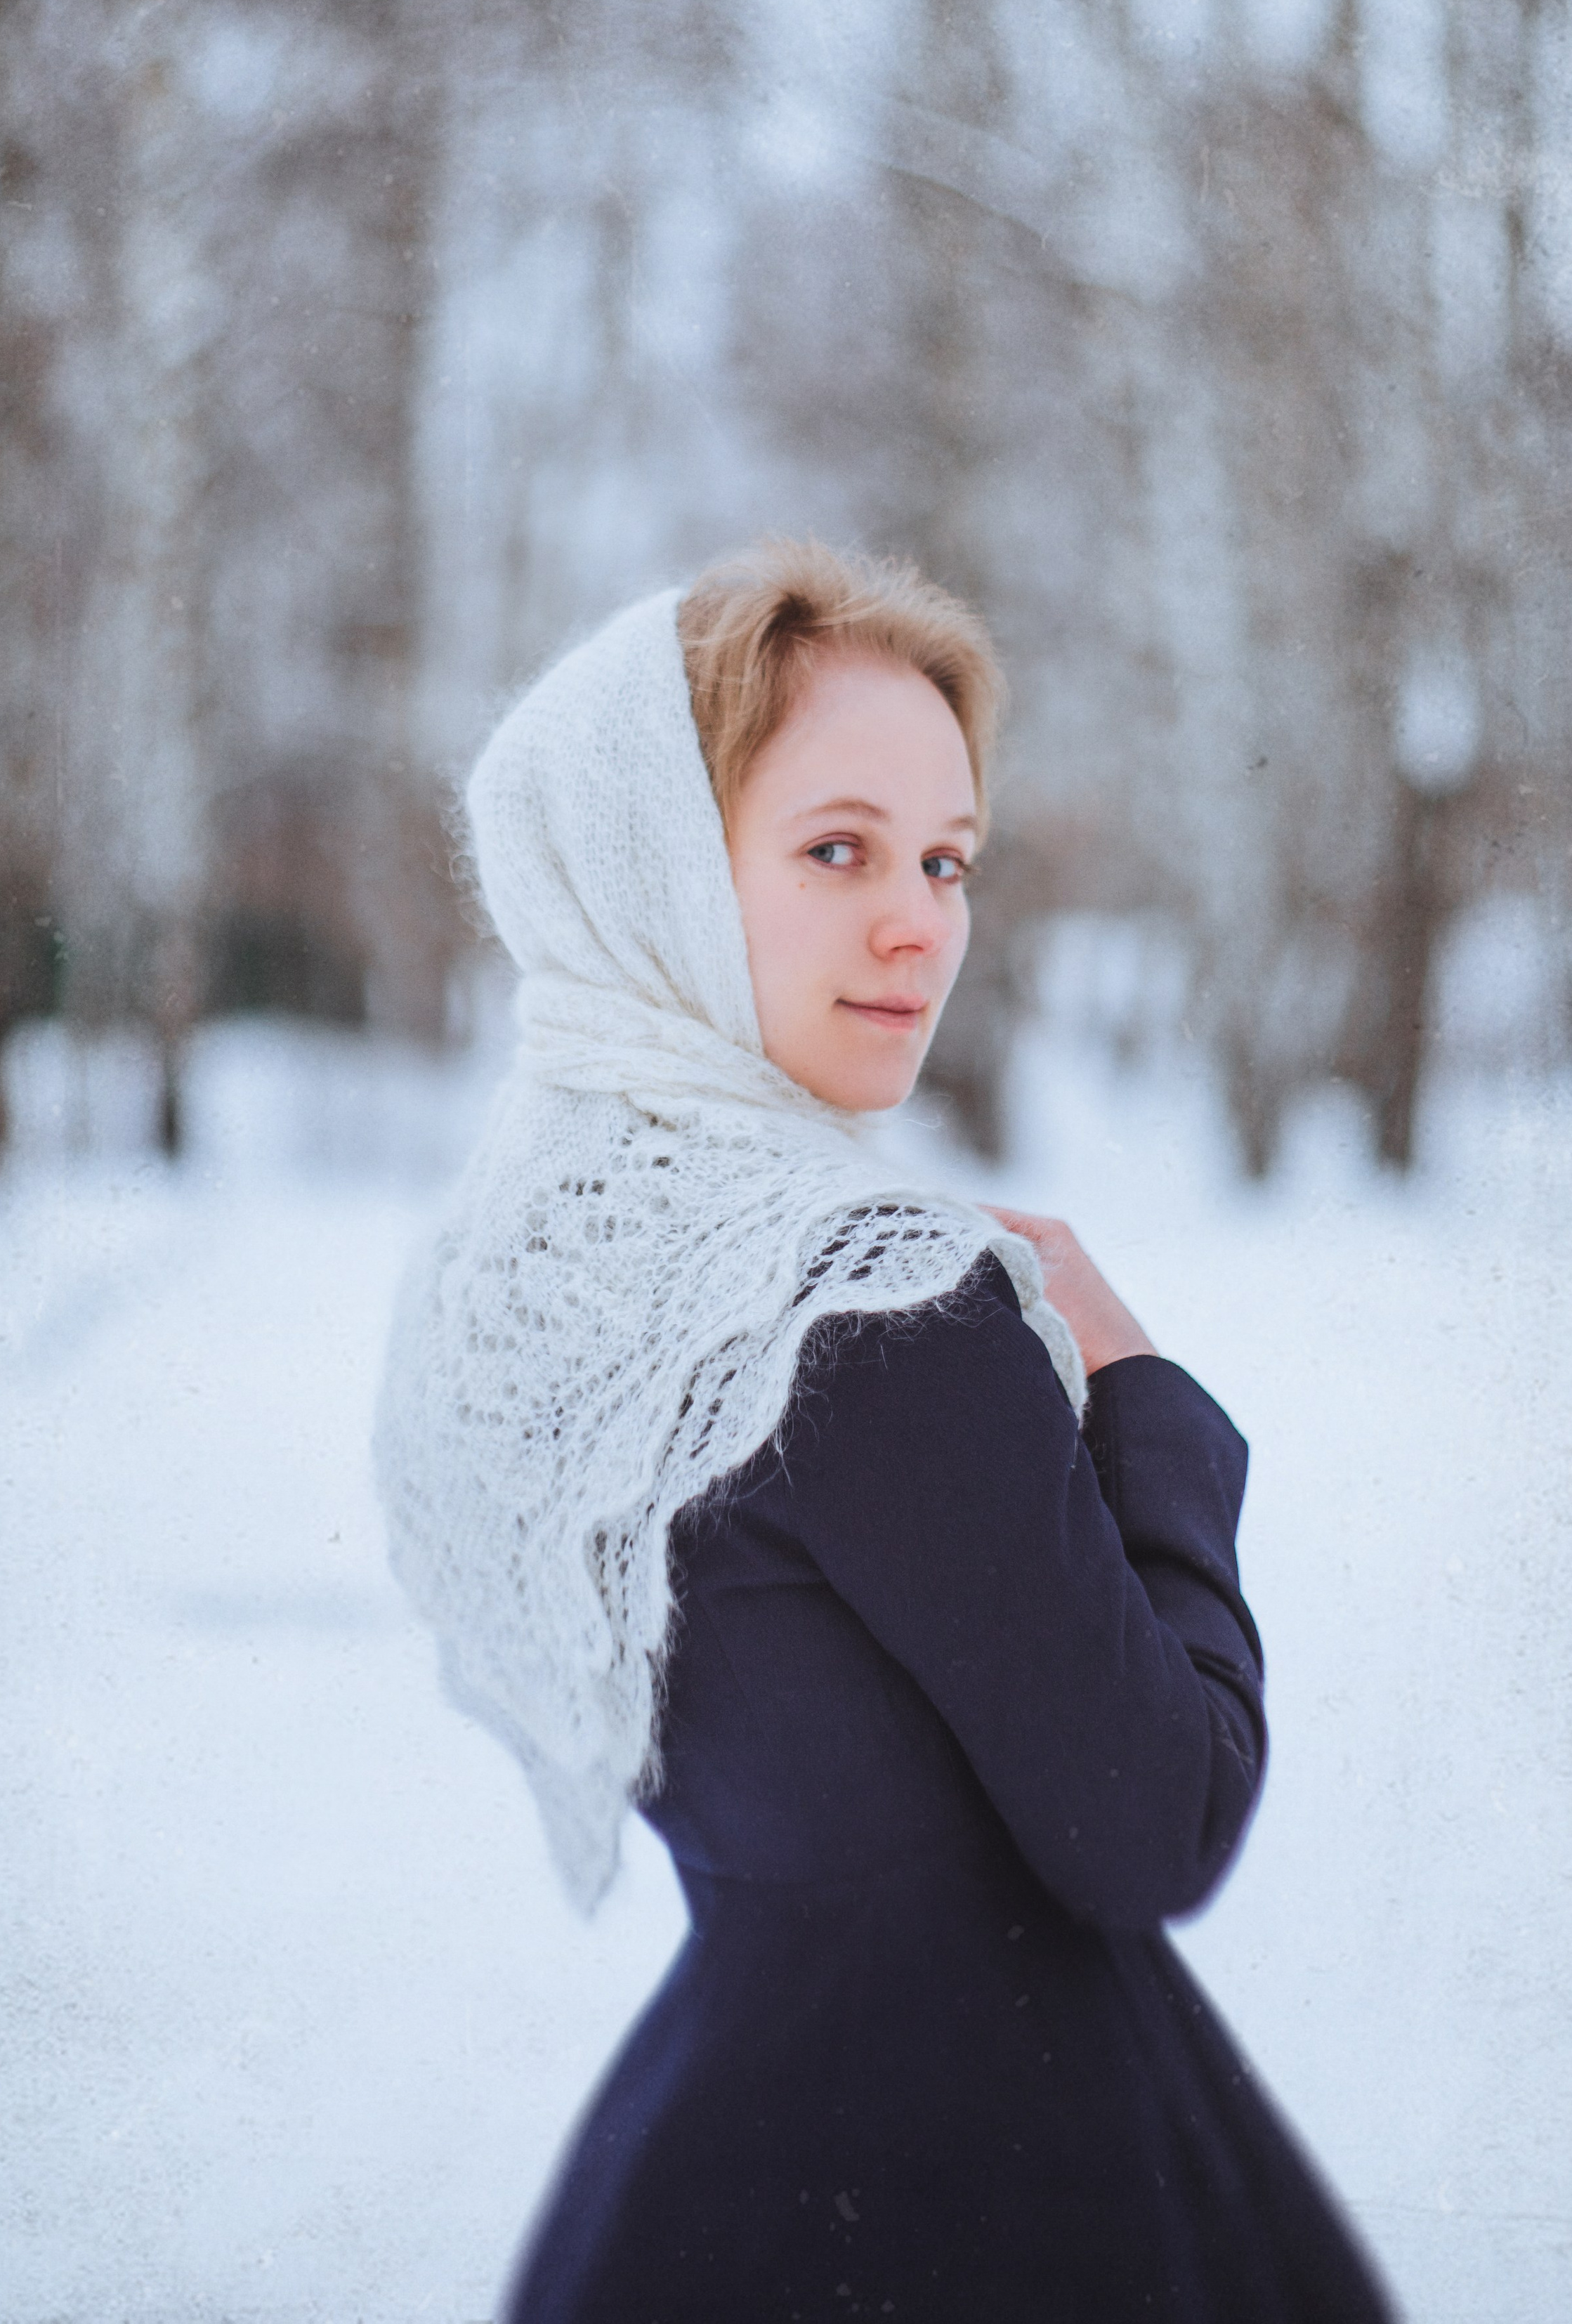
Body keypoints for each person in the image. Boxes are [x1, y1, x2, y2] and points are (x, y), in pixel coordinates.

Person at [376, 543, 1396, 2323]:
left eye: (945, 860)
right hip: (1008, 2178)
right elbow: (1164, 1820)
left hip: (726, 2167)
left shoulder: (523, 1247)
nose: (920, 925)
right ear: (658, 872)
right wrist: (1142, 1404)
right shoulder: (871, 1308)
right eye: (834, 849)